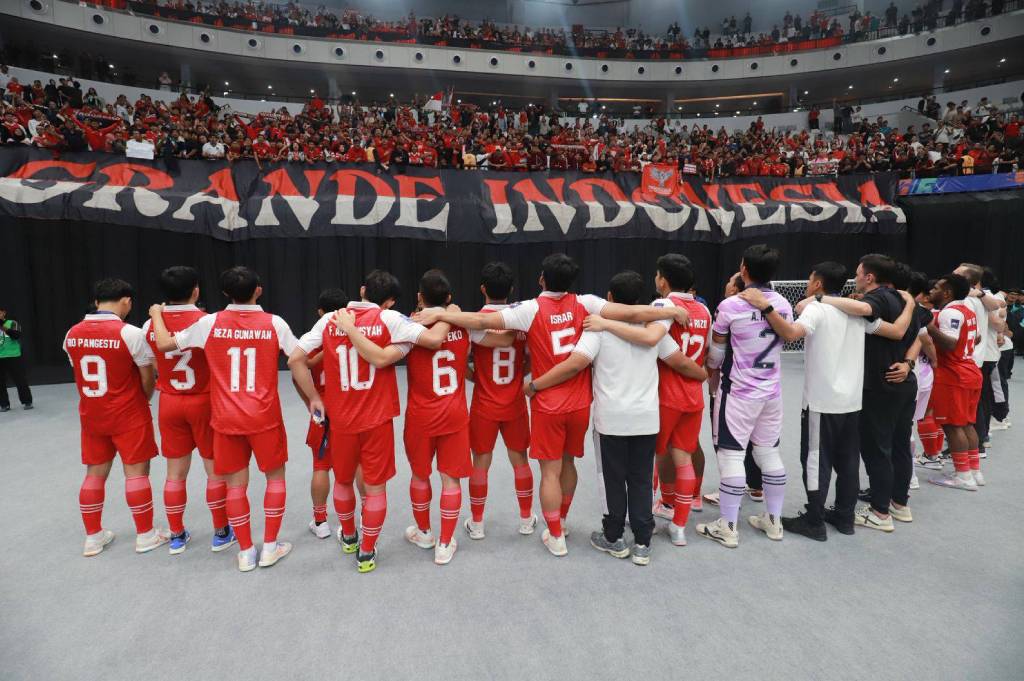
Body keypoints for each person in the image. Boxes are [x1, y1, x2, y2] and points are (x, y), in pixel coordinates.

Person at [414, 253, 687, 557]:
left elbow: (480, 321)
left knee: (545, 472)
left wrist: (444, 314)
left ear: (541, 279)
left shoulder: (529, 309)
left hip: (543, 404)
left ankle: (552, 534)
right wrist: (672, 309)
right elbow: (630, 312)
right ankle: (557, 521)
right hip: (578, 404)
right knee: (567, 464)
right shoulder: (586, 303)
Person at [525, 271, 706, 565]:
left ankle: (614, 537)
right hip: (646, 418)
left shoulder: (597, 329)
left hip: (611, 420)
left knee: (612, 479)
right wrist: (702, 374)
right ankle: (643, 542)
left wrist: (535, 385)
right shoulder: (653, 331)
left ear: (609, 299)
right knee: (641, 478)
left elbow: (574, 364)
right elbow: (681, 362)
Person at [288, 270, 452, 574]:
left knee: (342, 481)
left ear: (362, 290)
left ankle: (350, 537)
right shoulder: (390, 319)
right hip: (376, 420)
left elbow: (295, 359)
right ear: (390, 301)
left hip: (341, 419)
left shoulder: (331, 319)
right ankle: (366, 553)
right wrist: (449, 312)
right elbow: (432, 340)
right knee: (375, 489)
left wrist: (313, 399)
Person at [739, 262, 913, 541]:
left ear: (818, 284)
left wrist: (766, 307)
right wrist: (911, 305)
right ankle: (845, 517)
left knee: (815, 460)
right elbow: (896, 331)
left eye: (810, 279)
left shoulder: (817, 308)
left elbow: (790, 334)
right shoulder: (854, 310)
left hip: (822, 400)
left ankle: (814, 520)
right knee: (848, 461)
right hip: (852, 400)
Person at [149, 266, 299, 573]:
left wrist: (155, 314)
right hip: (264, 415)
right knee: (275, 479)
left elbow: (164, 345)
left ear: (226, 293)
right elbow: (299, 357)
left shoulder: (210, 322)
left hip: (226, 417)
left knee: (234, 486)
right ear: (258, 290)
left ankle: (245, 551)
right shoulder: (275, 323)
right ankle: (270, 547)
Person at [64, 279, 169, 557]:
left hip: (92, 415)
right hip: (128, 414)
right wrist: (144, 399)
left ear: (96, 301)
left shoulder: (71, 333)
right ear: (126, 301)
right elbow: (148, 376)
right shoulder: (130, 333)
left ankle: (93, 537)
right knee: (136, 473)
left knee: (94, 474)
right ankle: (145, 535)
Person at [816, 255, 920, 532]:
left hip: (880, 385)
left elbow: (865, 310)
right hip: (904, 384)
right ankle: (899, 503)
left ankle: (879, 512)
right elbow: (918, 336)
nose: (856, 278)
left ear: (870, 277)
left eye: (858, 273)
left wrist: (821, 299)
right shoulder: (905, 300)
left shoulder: (879, 299)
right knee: (899, 446)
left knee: (877, 450)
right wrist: (909, 363)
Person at [698, 244, 792, 548]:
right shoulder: (783, 304)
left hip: (738, 393)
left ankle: (727, 526)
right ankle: (774, 521)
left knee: (731, 455)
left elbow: (716, 353)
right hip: (772, 392)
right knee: (769, 453)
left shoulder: (730, 306)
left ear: (744, 270)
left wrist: (709, 371)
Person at [141, 266, 235, 554]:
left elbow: (153, 363)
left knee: (174, 473)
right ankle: (221, 532)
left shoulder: (149, 325)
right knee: (214, 470)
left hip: (170, 401)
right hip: (204, 401)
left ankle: (177, 535)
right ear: (196, 290)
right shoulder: (207, 321)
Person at [464, 262, 537, 539]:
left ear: (482, 289)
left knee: (480, 462)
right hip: (514, 401)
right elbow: (532, 359)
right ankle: (526, 519)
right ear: (511, 290)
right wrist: (520, 374)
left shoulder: (473, 322)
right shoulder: (521, 321)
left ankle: (477, 523)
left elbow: (460, 362)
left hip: (484, 402)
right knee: (520, 460)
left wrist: (477, 377)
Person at [648, 254, 711, 547]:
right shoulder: (704, 310)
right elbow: (709, 353)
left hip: (665, 395)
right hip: (693, 396)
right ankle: (680, 526)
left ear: (663, 280)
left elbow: (655, 346)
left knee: (654, 454)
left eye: (657, 274)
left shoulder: (661, 306)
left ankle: (652, 512)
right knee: (683, 457)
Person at [294, 288, 351, 541]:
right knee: (356, 465)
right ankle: (361, 516)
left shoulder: (311, 341)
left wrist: (310, 402)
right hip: (349, 405)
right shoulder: (354, 333)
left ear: (320, 312)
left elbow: (297, 373)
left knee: (321, 466)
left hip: (323, 406)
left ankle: (320, 521)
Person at [926, 274, 984, 490]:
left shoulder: (949, 312)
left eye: (936, 288)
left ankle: (963, 476)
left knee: (952, 426)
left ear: (947, 293)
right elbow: (976, 338)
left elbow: (950, 343)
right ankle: (974, 471)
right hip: (969, 371)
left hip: (954, 375)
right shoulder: (967, 310)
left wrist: (928, 326)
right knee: (966, 424)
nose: (931, 290)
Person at [953, 263, 1005, 458]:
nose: (952, 275)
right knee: (975, 402)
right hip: (976, 357)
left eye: (957, 273)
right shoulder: (975, 297)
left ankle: (978, 442)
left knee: (972, 404)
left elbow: (998, 315)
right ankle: (977, 443)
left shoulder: (975, 298)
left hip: (974, 357)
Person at [0, 305, 32, 411]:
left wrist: (2, 326)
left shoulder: (12, 323)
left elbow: (16, 335)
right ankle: (4, 404)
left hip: (13, 356)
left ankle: (27, 401)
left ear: (3, 313)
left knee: (20, 380)